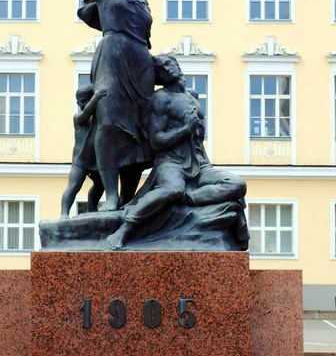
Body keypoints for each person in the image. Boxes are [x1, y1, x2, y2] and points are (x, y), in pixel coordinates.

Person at [106, 55, 248, 250]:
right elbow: (156, 141)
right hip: (170, 162)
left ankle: (188, 199)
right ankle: (125, 228)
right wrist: (185, 130)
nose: (165, 68)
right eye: (160, 68)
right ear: (158, 77)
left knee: (237, 184)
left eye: (167, 63)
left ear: (176, 65)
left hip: (200, 164)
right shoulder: (161, 98)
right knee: (172, 189)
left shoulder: (192, 97)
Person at [77, 0, 154, 212]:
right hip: (112, 56)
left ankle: (127, 198)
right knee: (109, 122)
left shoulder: (142, 0)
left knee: (139, 131)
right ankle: (110, 194)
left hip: (141, 63)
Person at [60, 84, 106, 219]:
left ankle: (91, 207)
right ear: (77, 102)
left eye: (88, 99)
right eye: (83, 101)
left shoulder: (98, 118)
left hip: (96, 160)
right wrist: (97, 97)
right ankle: (64, 213)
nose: (86, 103)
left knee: (100, 185)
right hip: (80, 160)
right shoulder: (78, 118)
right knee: (74, 185)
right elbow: (86, 113)